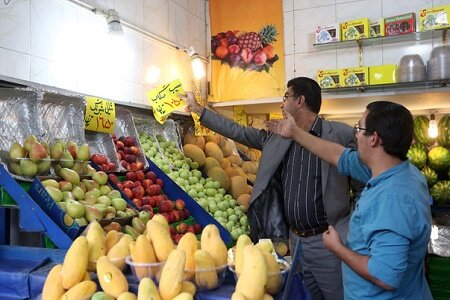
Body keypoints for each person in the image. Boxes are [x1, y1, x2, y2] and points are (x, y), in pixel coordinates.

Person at [181, 77, 362, 300]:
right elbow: (238, 132)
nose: (281, 103)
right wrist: (200, 110)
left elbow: (363, 187)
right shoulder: (277, 136)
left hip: (329, 241)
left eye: (286, 97)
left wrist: (349, 229)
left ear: (300, 101)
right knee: (301, 295)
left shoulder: (341, 135)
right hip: (295, 241)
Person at [265, 101, 433, 299]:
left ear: (374, 139)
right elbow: (338, 155)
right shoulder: (396, 170)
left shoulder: (392, 198)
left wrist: (338, 248)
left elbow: (385, 277)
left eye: (359, 128)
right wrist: (295, 132)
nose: (356, 135)